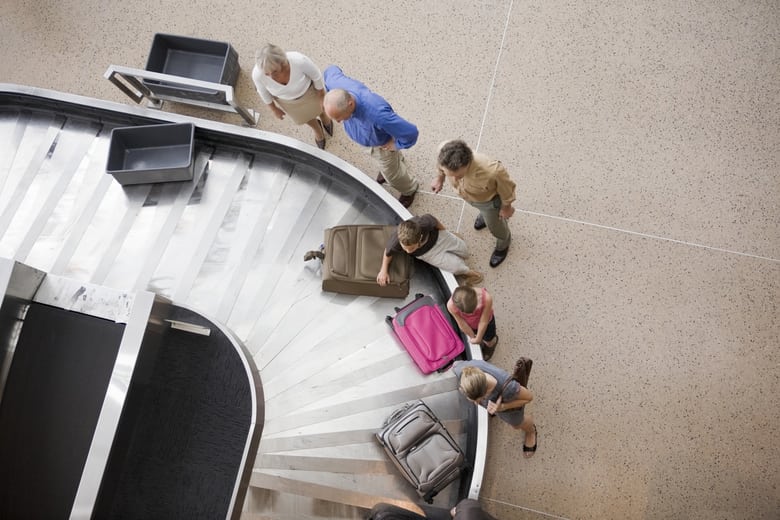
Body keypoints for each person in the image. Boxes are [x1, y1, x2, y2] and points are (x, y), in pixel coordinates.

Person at [323, 65, 420, 208]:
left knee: (392, 177)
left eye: (339, 117)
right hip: (367, 140)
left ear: (350, 104)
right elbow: (330, 70)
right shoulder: (334, 83)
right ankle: (396, 163)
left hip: (382, 146)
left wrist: (396, 145)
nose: (338, 122)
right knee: (389, 166)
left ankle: (409, 189)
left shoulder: (377, 114)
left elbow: (411, 133)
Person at [432, 140, 517, 268]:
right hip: (471, 197)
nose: (454, 179)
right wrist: (440, 178)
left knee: (496, 227)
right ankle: (484, 215)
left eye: (458, 175)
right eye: (450, 175)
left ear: (467, 164)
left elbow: (507, 189)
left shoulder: (492, 171)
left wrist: (506, 208)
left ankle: (503, 243)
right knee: (483, 212)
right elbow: (441, 167)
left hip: (489, 202)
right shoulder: (443, 151)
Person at [252, 44, 333, 149]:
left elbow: (316, 76)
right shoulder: (258, 74)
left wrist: (322, 96)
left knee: (321, 108)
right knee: (304, 117)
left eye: (275, 72)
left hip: (309, 91)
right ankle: (317, 129)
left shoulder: (298, 60)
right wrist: (274, 109)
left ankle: (325, 118)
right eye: (267, 74)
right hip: (287, 101)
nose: (271, 76)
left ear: (282, 63)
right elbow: (263, 92)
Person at [453, 359, 537, 458]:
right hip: (497, 405)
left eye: (481, 399)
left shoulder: (508, 388)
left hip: (507, 407)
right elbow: (456, 364)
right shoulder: (462, 371)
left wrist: (502, 407)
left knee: (517, 423)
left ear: (486, 390)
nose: (476, 403)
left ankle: (531, 431)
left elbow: (529, 397)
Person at [378, 214, 483, 287]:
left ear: (419, 238)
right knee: (456, 267)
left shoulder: (424, 222)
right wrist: (383, 270)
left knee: (463, 249)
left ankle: (456, 240)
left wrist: (446, 233)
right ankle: (470, 273)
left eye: (412, 248)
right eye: (405, 248)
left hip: (438, 237)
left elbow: (435, 222)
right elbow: (387, 253)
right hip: (428, 254)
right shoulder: (396, 241)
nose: (409, 252)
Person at [447, 286, 499, 361]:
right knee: (479, 337)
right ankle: (483, 341)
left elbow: (483, 321)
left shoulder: (486, 298)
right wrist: (473, 337)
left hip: (487, 323)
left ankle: (491, 345)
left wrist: (478, 338)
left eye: (475, 310)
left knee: (488, 339)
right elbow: (462, 323)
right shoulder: (451, 306)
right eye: (467, 313)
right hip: (471, 325)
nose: (472, 314)